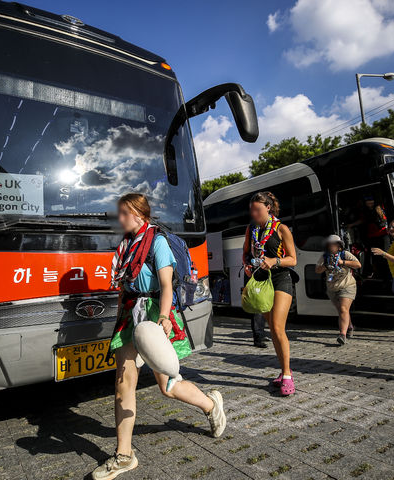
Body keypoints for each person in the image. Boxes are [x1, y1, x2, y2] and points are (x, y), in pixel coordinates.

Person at [91, 193, 226, 480]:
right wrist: (118, 319)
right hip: (130, 312)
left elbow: (166, 285)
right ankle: (124, 455)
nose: (120, 219)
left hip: (154, 313)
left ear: (139, 214)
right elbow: (124, 288)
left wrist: (164, 317)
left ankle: (211, 405)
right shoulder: (126, 247)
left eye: (124, 213)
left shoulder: (158, 243)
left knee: (168, 386)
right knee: (123, 382)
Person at [242, 192, 298, 396]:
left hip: (281, 278)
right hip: (261, 280)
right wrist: (247, 265)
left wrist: (275, 261)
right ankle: (285, 370)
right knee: (273, 330)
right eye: (252, 210)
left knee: (276, 326)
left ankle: (287, 375)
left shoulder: (281, 229)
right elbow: (245, 253)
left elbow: (293, 259)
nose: (254, 213)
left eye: (257, 209)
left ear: (268, 208)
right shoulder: (251, 229)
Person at [315, 235, 361, 345]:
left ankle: (342, 335)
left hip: (347, 286)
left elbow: (358, 264)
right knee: (342, 310)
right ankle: (349, 326)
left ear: (339, 246)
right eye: (330, 244)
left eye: (334, 244)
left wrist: (342, 262)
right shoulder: (325, 256)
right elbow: (317, 270)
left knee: (343, 309)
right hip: (332, 287)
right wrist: (326, 266)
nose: (331, 246)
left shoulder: (345, 254)